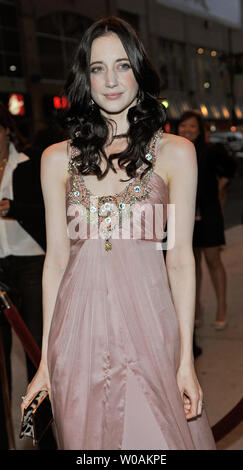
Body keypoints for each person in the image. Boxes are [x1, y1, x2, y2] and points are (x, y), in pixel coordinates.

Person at [21, 17, 216, 450]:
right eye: (97, 68)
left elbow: (180, 259)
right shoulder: (56, 160)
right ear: (83, 77)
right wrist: (46, 365)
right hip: (77, 337)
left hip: (150, 332)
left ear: (139, 72)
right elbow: (55, 262)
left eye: (122, 65)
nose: (110, 80)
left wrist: (185, 359)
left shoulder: (175, 153)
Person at [0, 102, 56, 449]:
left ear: (6, 129)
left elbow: (51, 217)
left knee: (39, 357)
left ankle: (43, 438)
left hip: (32, 266)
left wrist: (13, 208)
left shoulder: (29, 166)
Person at [177, 110, 236, 330]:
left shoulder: (211, 151)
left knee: (213, 261)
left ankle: (222, 307)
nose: (187, 130)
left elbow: (231, 168)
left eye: (192, 126)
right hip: (184, 216)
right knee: (192, 265)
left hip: (209, 214)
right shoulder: (175, 151)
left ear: (200, 129)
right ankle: (196, 308)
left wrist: (221, 188)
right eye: (183, 126)